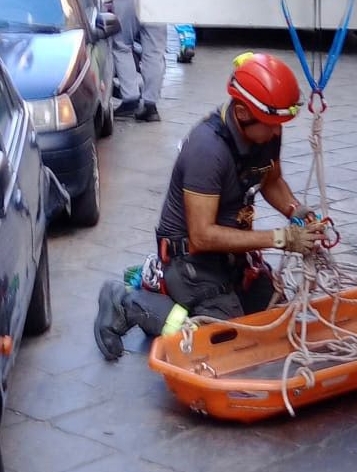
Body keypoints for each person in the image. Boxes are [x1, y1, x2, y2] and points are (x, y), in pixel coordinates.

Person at [94, 52, 323, 359]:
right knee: (220, 342)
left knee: (272, 318)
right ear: (242, 113)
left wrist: (298, 212)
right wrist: (282, 239)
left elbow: (271, 180)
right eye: (272, 124)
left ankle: (183, 293)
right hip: (192, 261)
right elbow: (203, 235)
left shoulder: (265, 131)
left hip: (230, 256)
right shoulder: (207, 149)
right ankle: (128, 303)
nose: (278, 132)